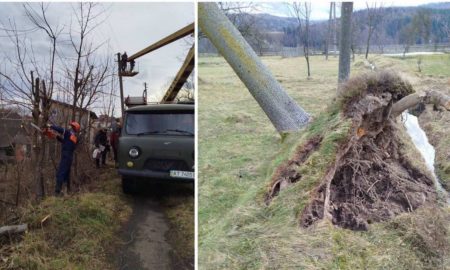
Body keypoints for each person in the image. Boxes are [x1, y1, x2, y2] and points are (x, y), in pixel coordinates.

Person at [50, 121, 80, 196]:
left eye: (71, 126)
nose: (69, 127)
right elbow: (65, 142)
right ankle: (68, 190)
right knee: (66, 173)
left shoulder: (68, 133)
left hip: (66, 156)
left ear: (73, 128)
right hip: (69, 156)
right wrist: (57, 137)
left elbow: (60, 129)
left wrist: (51, 126)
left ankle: (57, 192)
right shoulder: (74, 137)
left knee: (61, 172)